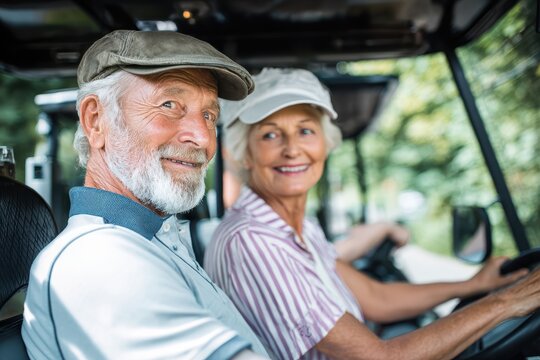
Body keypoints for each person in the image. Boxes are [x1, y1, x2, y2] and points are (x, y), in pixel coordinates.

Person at [204, 67, 540, 359]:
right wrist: (507, 303)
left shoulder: (295, 226)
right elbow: (377, 357)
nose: (292, 149)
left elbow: (375, 298)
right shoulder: (253, 241)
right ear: (243, 154)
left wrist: (473, 285)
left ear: (325, 143)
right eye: (270, 135)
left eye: (305, 130)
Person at [22, 30, 268, 359]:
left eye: (208, 115)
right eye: (169, 105)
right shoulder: (99, 258)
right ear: (96, 120)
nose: (202, 138)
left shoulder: (157, 237)